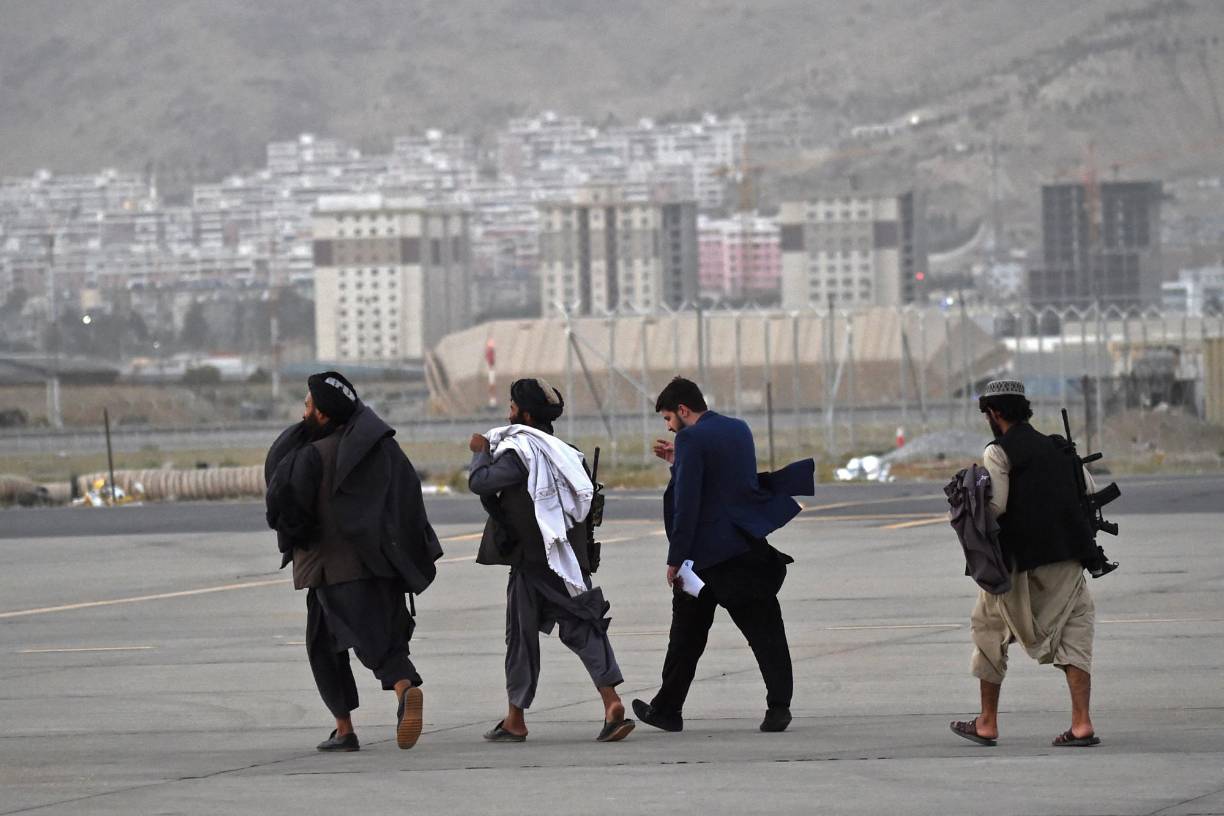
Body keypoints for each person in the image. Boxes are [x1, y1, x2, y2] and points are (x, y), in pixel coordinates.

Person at [265, 371, 442, 752]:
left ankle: (403, 689)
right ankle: (344, 728)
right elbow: (407, 499)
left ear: (324, 415)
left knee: (367, 642)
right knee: (332, 643)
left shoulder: (311, 456)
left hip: (332, 569)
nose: (304, 411)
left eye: (309, 405)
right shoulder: (377, 449)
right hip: (378, 562)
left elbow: (290, 513)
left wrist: (294, 538)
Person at [633, 377, 813, 734]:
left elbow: (688, 503)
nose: (669, 427)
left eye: (669, 418)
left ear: (683, 410)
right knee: (766, 632)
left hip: (700, 559)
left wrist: (675, 558)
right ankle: (778, 707)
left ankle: (668, 710)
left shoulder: (690, 438)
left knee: (685, 637)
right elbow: (726, 481)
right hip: (743, 550)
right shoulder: (738, 428)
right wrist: (678, 460)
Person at [467, 377, 634, 744]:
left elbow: (480, 482)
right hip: (569, 560)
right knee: (583, 626)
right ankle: (609, 702)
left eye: (512, 407)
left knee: (521, 638)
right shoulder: (565, 452)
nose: (508, 413)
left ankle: (517, 719)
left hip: (533, 563)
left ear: (524, 414)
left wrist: (479, 450)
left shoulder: (522, 453)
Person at [950, 378, 1102, 748]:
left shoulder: (998, 452)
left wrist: (968, 498)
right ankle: (1081, 723)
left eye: (987, 412)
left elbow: (996, 507)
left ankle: (987, 722)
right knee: (1075, 630)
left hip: (1018, 565)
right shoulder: (1059, 447)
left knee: (988, 628)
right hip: (1068, 558)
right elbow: (1091, 489)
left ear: (995, 412)